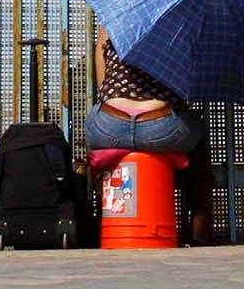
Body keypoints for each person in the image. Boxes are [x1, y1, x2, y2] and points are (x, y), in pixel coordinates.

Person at [86, 25, 214, 245]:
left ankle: (99, 220)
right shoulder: (180, 25)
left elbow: (102, 84)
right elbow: (184, 90)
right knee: (199, 132)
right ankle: (199, 225)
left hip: (109, 125)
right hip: (158, 128)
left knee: (93, 140)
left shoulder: (111, 21)